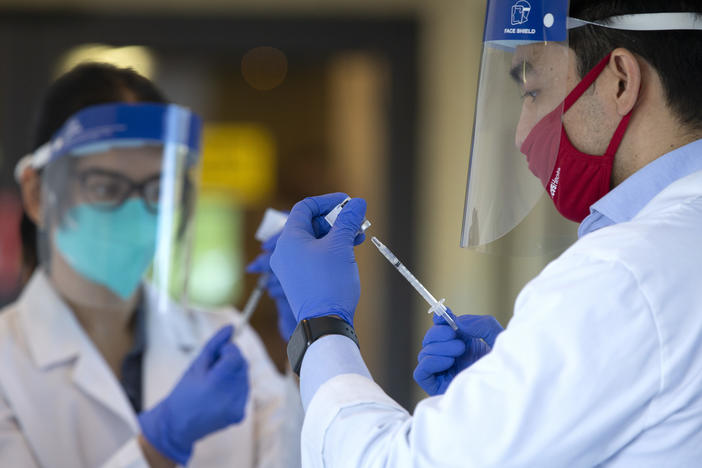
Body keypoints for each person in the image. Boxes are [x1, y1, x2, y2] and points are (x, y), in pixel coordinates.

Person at [266, 0, 702, 466]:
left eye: (532, 90)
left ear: (619, 80)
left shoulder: (625, 272)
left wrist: (321, 329)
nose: (521, 135)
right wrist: (518, 391)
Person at [0, 63, 301, 468]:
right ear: (38, 194)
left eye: (158, 190)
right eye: (106, 186)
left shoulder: (228, 340)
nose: (137, 213)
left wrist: (309, 352)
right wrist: (158, 447)